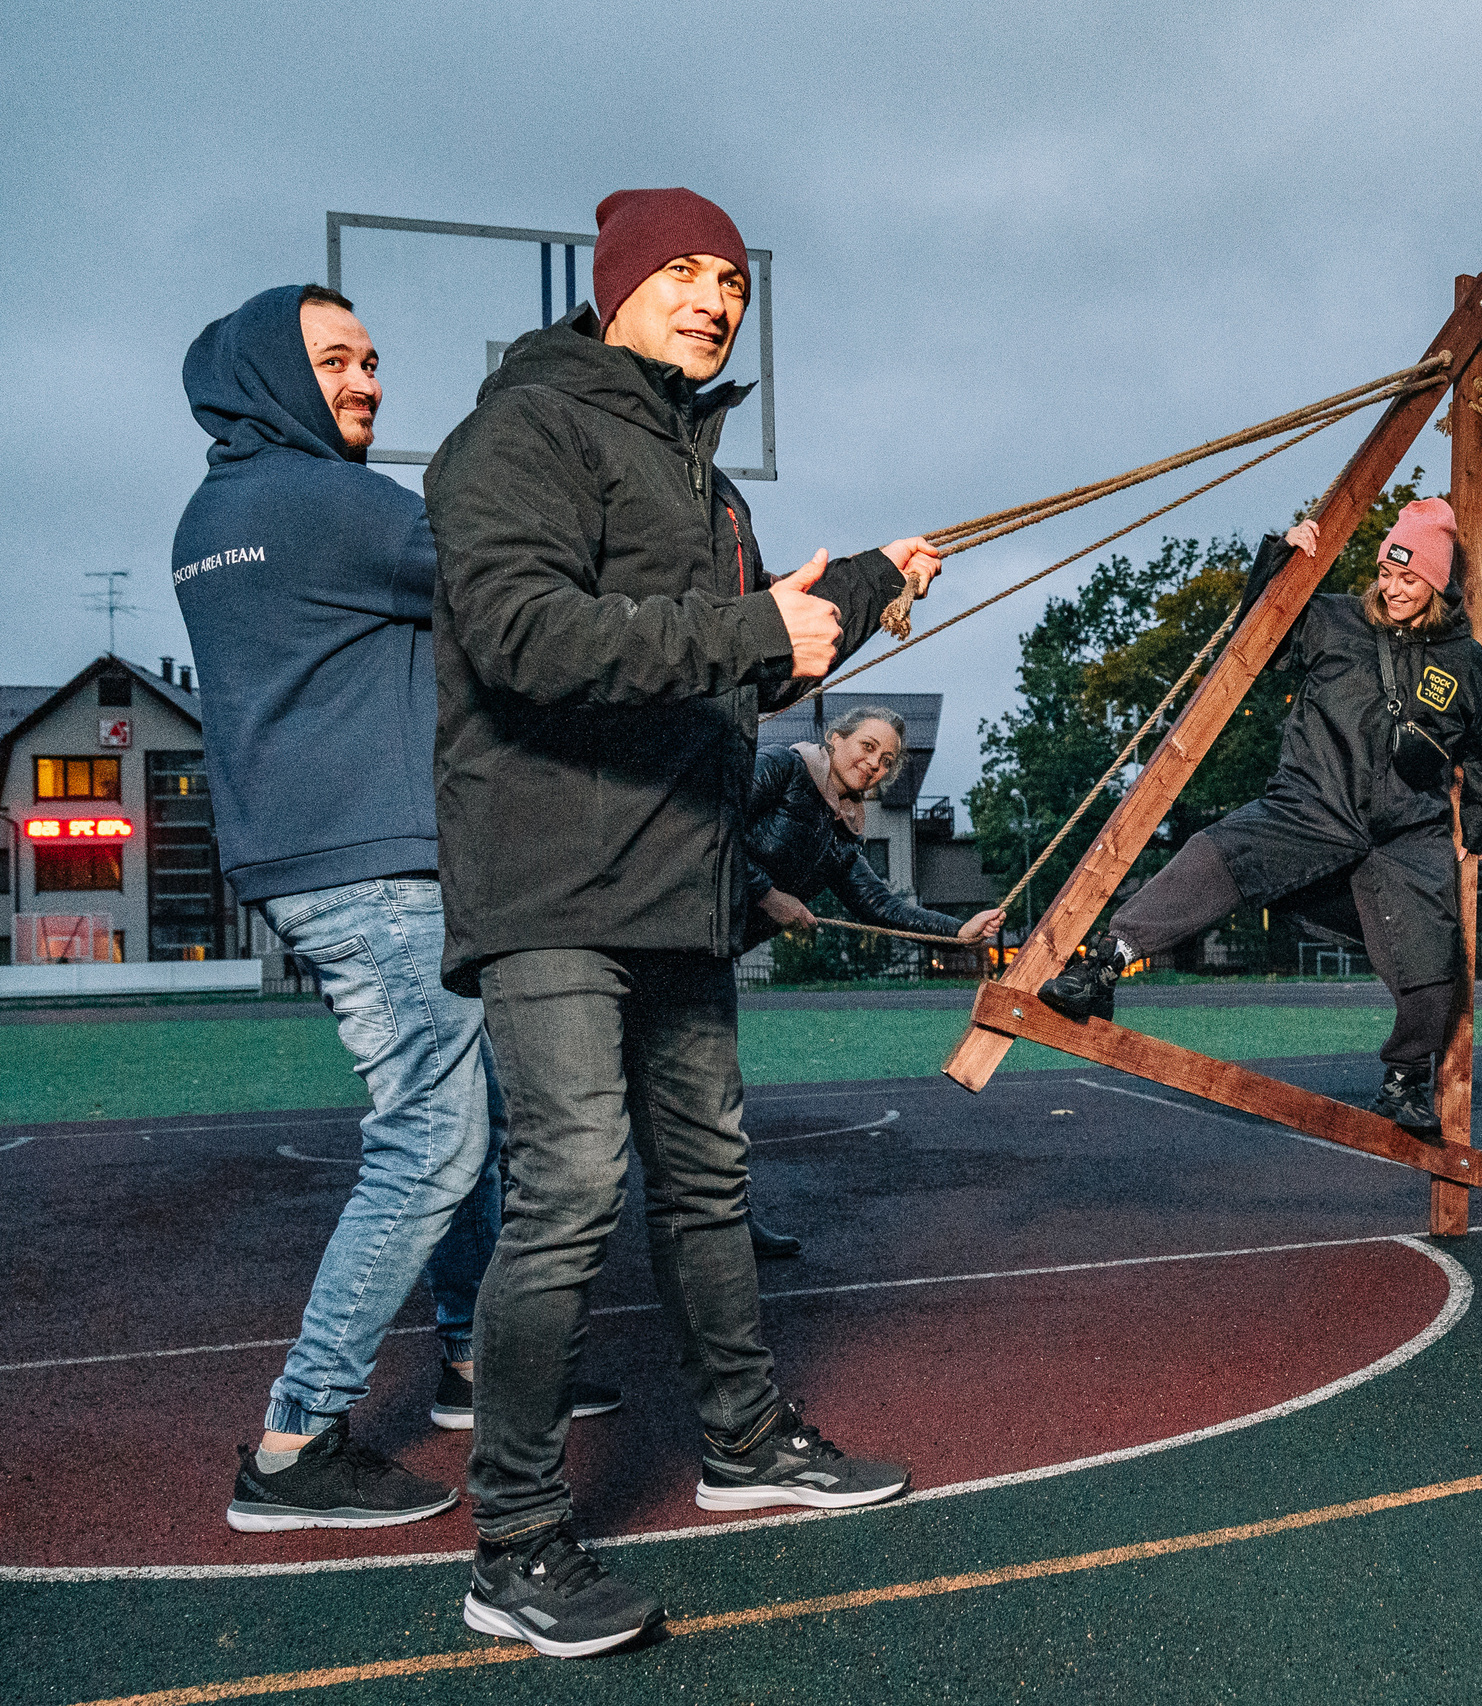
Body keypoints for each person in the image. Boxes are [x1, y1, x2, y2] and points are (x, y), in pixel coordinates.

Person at [428, 187, 942, 1659]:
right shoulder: (521, 429)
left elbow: (732, 667)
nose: (715, 300)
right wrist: (753, 625)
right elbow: (524, 636)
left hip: (679, 878)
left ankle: (743, 1438)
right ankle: (514, 1540)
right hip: (551, 875)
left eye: (733, 281)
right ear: (618, 287)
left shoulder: (705, 480)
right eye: (685, 273)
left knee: (710, 1176)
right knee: (573, 1184)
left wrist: (858, 590)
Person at [176, 284, 618, 1536]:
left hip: (317, 861)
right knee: (433, 1136)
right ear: (271, 374)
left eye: (371, 359)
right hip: (371, 868)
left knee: (469, 1111)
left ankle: (475, 1354)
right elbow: (513, 581)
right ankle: (295, 1439)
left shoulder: (218, 509)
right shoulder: (329, 500)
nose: (366, 379)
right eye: (334, 360)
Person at [1037, 501, 1482, 1130]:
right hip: (1312, 804)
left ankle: (1404, 1083)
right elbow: (1259, 635)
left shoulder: (1464, 661)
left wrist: (1476, 833)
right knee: (1218, 852)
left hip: (1405, 835)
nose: (1394, 589)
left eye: (1410, 579)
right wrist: (1280, 559)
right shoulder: (1334, 620)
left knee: (1437, 957)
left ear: (1437, 583)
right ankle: (1103, 966)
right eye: (1386, 574)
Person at [739, 704, 1002, 1254]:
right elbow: (711, 831)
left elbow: (881, 906)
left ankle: (728, 1222)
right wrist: (768, 894)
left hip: (713, 955)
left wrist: (959, 932)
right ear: (835, 739)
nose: (875, 764)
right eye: (867, 747)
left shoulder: (842, 833)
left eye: (886, 760)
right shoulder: (782, 768)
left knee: (714, 1105)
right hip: (671, 934)